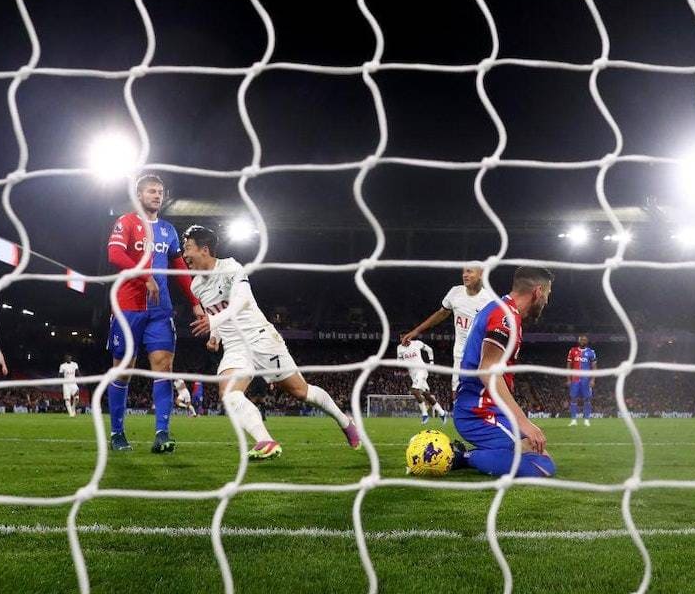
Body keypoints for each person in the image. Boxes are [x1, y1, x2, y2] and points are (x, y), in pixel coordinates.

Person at [183, 225, 360, 460]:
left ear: (204, 250)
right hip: (235, 347)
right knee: (229, 394)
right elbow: (215, 312)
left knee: (301, 392)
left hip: (261, 338)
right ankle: (265, 441)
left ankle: (345, 421)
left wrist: (213, 321)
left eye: (188, 248)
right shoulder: (196, 285)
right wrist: (215, 336)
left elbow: (242, 302)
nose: (184, 255)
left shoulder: (231, 268)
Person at [106, 173, 204, 453]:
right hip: (128, 307)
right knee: (123, 370)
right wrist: (145, 276)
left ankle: (162, 433)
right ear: (139, 195)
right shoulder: (126, 222)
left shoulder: (168, 230)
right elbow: (115, 255)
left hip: (160, 310)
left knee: (163, 367)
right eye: (151, 191)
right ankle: (117, 433)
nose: (157, 195)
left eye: (160, 192)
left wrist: (194, 301)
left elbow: (179, 269)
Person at [452, 267, 556, 478]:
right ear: (538, 292)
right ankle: (461, 457)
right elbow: (487, 371)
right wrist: (525, 423)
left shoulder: (503, 310)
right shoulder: (505, 316)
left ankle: (485, 454)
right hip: (478, 412)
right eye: (547, 294)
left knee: (538, 453)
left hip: (490, 409)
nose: (546, 301)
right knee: (542, 466)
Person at [401, 266, 489, 404]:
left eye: (469, 271)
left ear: (481, 274)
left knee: (484, 396)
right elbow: (441, 314)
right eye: (463, 272)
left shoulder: (490, 300)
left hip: (482, 355)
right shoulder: (455, 292)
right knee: (457, 395)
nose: (464, 275)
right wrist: (416, 331)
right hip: (460, 354)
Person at [396, 338, 446, 424]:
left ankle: (424, 414)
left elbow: (429, 350)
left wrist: (431, 362)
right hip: (413, 374)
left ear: (408, 337)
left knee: (414, 391)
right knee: (426, 395)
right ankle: (442, 413)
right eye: (401, 338)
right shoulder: (399, 348)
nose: (402, 339)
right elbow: (399, 362)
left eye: (404, 337)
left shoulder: (417, 343)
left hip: (421, 370)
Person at [567, 335, 597, 427]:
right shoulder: (572, 351)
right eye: (581, 340)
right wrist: (568, 379)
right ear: (578, 341)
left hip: (586, 380)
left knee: (587, 399)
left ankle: (586, 420)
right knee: (573, 398)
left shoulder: (591, 352)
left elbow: (594, 367)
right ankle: (573, 420)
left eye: (584, 340)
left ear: (587, 341)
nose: (583, 341)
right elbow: (568, 365)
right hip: (575, 379)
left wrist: (593, 379)